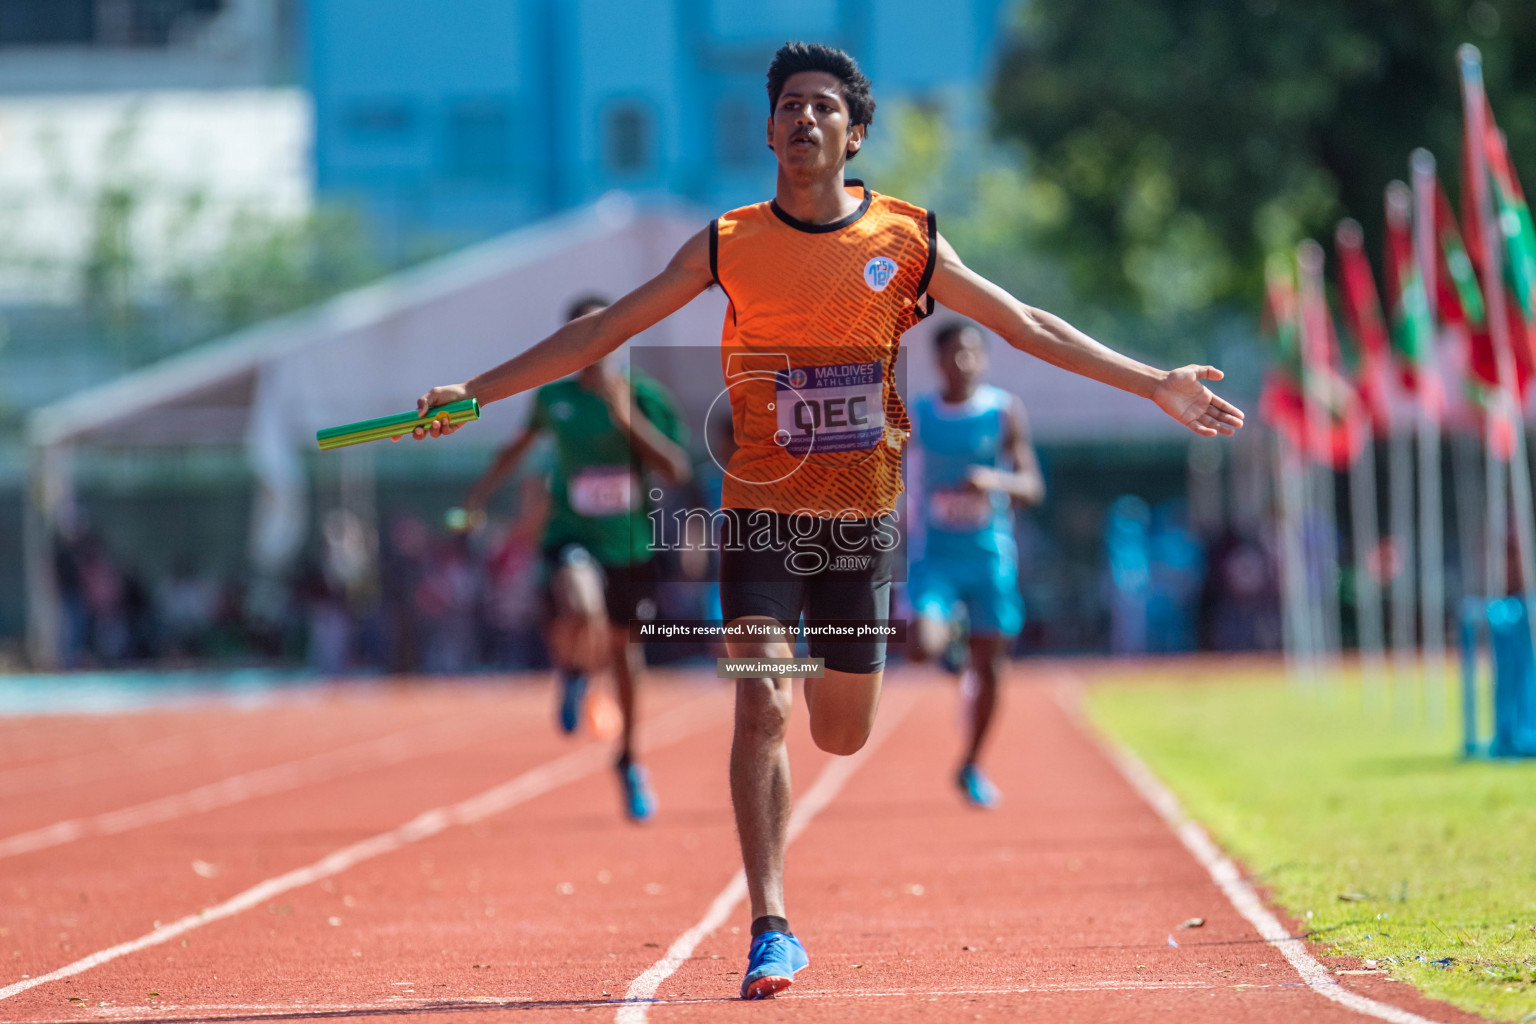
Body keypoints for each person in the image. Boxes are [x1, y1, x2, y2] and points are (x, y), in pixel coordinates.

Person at [408, 42, 1243, 999]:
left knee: (840, 732)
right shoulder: (728, 242)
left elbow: (1026, 325)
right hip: (759, 513)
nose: (805, 120)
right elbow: (603, 332)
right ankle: (771, 926)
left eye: (824, 108)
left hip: (860, 521)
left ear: (855, 132)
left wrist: (1153, 384)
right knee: (762, 700)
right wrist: (474, 391)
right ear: (767, 129)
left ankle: (813, 777)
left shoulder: (908, 239)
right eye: (790, 107)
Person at [459, 294, 691, 823]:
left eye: (600, 334)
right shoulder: (553, 399)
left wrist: (623, 415)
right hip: (571, 533)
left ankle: (629, 758)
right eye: (578, 338)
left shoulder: (646, 397)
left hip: (630, 545)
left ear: (618, 338)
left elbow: (676, 469)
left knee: (627, 655)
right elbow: (515, 449)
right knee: (582, 604)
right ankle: (574, 671)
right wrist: (476, 498)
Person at [906, 321, 1043, 809]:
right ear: (937, 360)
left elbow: (1032, 487)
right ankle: (950, 639)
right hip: (935, 555)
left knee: (993, 667)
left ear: (983, 359)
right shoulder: (918, 413)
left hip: (989, 556)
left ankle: (971, 763)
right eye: (953, 354)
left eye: (972, 353)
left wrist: (995, 482)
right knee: (922, 646)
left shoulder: (1003, 412)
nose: (964, 362)